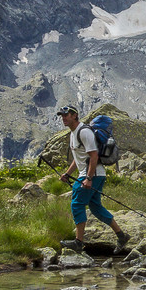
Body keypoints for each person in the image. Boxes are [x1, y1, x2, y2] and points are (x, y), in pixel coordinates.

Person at [56, 106, 130, 251]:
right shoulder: (73, 133)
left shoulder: (84, 132)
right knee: (95, 207)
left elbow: (94, 156)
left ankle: (78, 242)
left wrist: (88, 178)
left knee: (77, 204)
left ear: (74, 115)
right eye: (62, 116)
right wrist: (68, 174)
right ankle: (121, 236)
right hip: (95, 174)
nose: (64, 118)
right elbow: (78, 158)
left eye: (66, 115)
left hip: (92, 175)